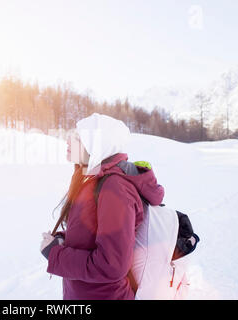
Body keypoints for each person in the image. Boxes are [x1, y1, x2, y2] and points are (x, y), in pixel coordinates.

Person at [39, 113, 165, 300]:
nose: (68, 140)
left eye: (77, 137)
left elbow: (112, 264)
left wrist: (56, 255)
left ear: (96, 145)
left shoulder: (114, 189)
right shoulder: (94, 180)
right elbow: (94, 234)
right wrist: (63, 241)